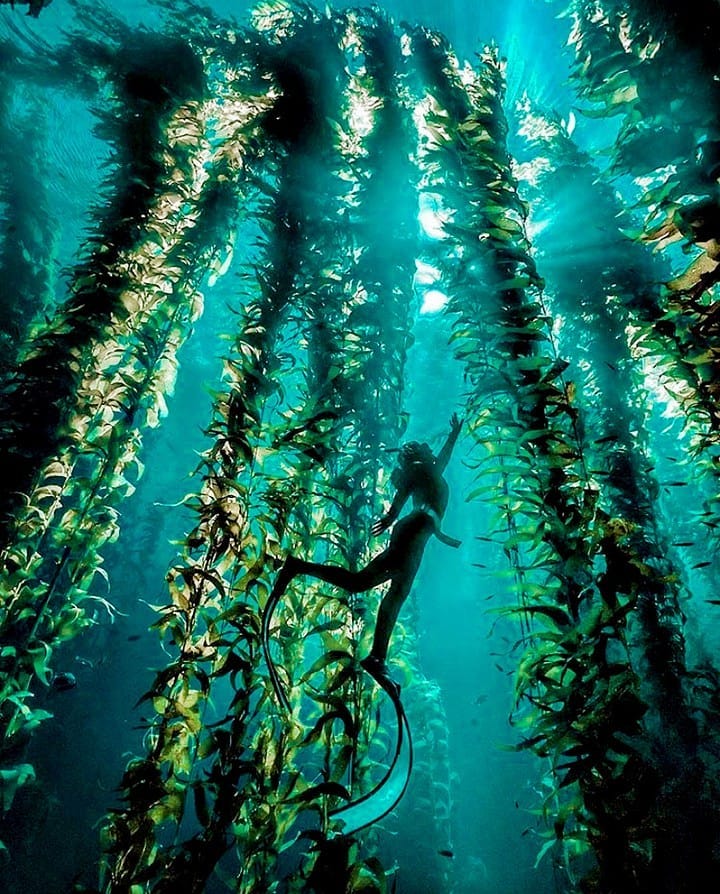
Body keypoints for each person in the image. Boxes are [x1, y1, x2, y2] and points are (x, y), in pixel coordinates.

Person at [270, 413, 462, 682]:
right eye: (425, 448)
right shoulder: (419, 468)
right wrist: (391, 516)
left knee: (393, 595)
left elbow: (442, 459)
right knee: (367, 585)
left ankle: (377, 657)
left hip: (419, 534)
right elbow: (404, 491)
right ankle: (297, 567)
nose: (430, 450)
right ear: (416, 454)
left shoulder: (431, 470)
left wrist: (454, 435)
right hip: (414, 529)